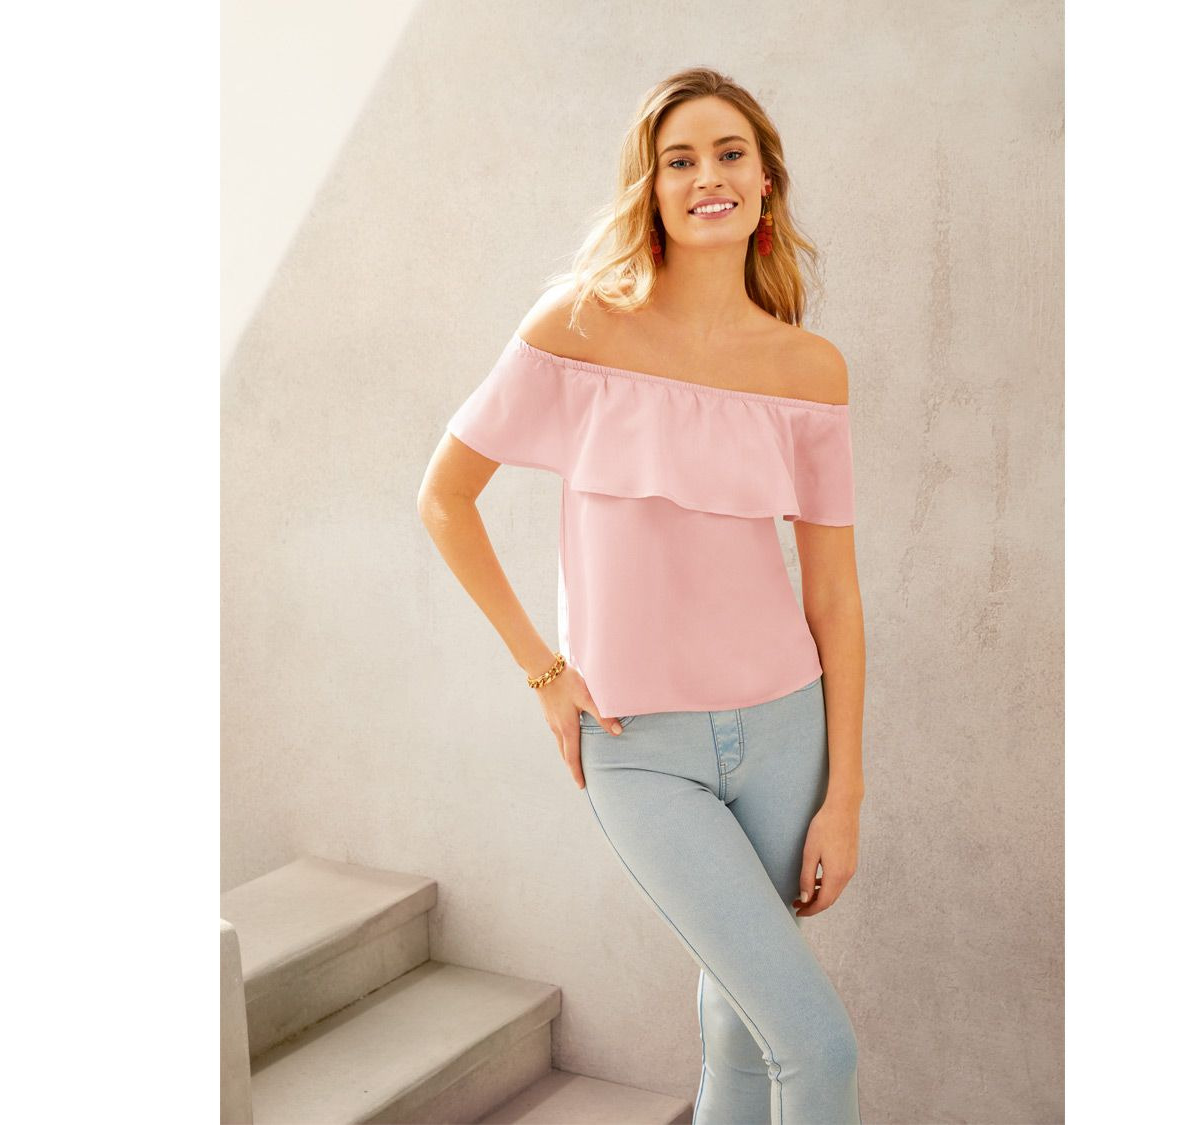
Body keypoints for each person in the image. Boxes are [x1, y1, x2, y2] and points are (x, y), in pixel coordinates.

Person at [418, 66, 865, 1125]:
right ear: (651, 188)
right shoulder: (579, 328)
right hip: (640, 746)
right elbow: (444, 498)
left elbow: (835, 598)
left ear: (766, 183)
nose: (708, 176)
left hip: (787, 732)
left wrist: (845, 791)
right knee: (818, 1045)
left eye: (729, 154)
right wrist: (544, 670)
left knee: (744, 1035)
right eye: (680, 160)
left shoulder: (808, 369)